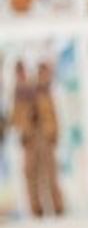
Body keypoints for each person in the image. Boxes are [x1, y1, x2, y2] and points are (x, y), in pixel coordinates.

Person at [10, 57, 64, 217]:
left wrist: (54, 134)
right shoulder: (21, 93)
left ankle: (57, 207)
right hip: (30, 137)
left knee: (50, 172)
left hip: (44, 135)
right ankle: (36, 209)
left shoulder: (43, 91)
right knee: (31, 173)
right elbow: (16, 117)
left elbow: (52, 114)